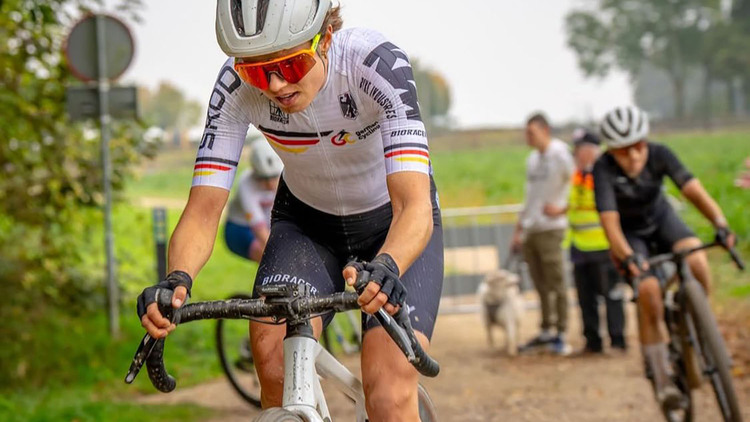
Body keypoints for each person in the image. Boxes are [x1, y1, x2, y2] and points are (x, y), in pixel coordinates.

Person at [136, 1, 443, 420]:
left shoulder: (374, 65)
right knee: (272, 361)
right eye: (257, 72)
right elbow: (204, 211)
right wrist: (177, 280)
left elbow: (413, 204)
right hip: (308, 227)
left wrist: (389, 263)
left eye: (291, 65)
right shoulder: (233, 85)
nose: (276, 85)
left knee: (387, 391)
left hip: (393, 225)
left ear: (326, 38)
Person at [593, 105, 737, 411]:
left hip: (662, 221)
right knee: (649, 293)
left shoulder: (660, 154)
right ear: (611, 151)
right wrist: (628, 257)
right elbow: (610, 223)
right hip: (631, 236)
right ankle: (662, 380)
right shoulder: (602, 169)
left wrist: (720, 223)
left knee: (696, 258)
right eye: (623, 151)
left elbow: (693, 190)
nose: (634, 156)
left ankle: (703, 326)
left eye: (638, 146)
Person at [546, 129, 626, 355]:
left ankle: (617, 340)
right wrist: (559, 210)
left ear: (592, 151)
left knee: (612, 296)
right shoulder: (576, 176)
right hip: (579, 248)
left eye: (580, 150)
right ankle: (593, 341)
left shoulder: (606, 176)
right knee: (585, 298)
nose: (576, 154)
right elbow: (575, 204)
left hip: (604, 246)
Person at [513, 113, 575, 356]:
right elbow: (530, 196)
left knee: (556, 282)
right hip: (532, 228)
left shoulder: (560, 154)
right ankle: (546, 329)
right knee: (540, 284)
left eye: (531, 132)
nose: (527, 137)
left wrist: (564, 208)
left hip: (551, 228)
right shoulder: (532, 159)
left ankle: (561, 332)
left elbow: (580, 182)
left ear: (545, 130)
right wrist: (519, 228)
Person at [223, 140, 282, 262]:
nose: (270, 184)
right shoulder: (246, 183)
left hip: (269, 225)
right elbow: (260, 229)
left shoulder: (286, 176)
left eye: (274, 177)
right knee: (273, 258)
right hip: (241, 228)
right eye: (263, 178)